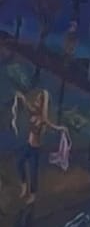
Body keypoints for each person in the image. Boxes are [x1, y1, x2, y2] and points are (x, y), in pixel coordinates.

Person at [10, 87, 51, 217]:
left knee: (33, 172)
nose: (36, 102)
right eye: (37, 100)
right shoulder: (33, 112)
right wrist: (21, 96)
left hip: (35, 150)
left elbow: (48, 125)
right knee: (19, 163)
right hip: (28, 146)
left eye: (39, 101)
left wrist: (61, 129)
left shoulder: (42, 119)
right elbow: (27, 105)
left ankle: (32, 195)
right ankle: (24, 185)